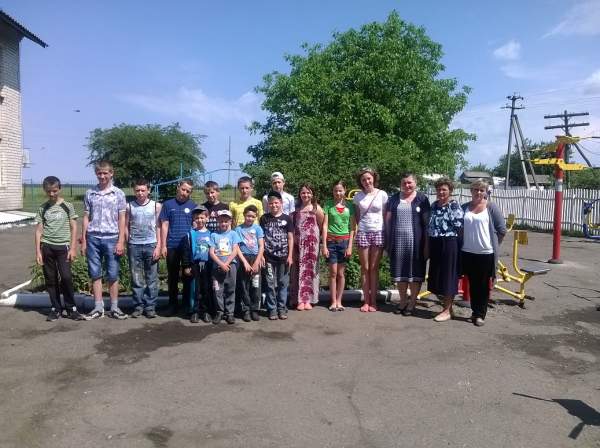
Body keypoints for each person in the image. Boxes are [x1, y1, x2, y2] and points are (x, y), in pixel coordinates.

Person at [81, 160, 128, 320]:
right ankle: (98, 307)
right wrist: (84, 239)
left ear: (111, 173)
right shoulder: (90, 193)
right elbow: (86, 217)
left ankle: (114, 307)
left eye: (105, 173)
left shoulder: (118, 194)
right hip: (93, 237)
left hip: (112, 238)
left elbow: (122, 218)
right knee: (95, 273)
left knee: (113, 274)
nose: (102, 176)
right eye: (99, 173)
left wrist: (121, 241)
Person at [35, 176, 84, 321]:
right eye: (48, 191)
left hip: (63, 247)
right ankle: (55, 309)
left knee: (66, 277)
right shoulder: (43, 208)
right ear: (45, 190)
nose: (51, 194)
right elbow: (38, 231)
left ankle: (71, 309)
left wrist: (72, 248)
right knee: (51, 279)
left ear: (59, 189)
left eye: (54, 191)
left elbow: (74, 227)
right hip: (47, 247)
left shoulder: (67, 206)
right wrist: (38, 252)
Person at [461, 179, 507, 327]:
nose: (479, 192)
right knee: (472, 284)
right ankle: (475, 311)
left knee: (482, 286)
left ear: (486, 192)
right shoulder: (464, 207)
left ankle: (480, 314)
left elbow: (502, 230)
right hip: (467, 252)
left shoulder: (491, 207)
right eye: (476, 189)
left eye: (482, 190)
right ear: (471, 191)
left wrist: (494, 245)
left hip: (485, 253)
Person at [385, 172, 430, 316]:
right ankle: (403, 301)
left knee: (415, 274)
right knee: (400, 274)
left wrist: (426, 245)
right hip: (397, 242)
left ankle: (412, 303)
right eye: (404, 183)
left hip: (416, 244)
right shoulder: (394, 199)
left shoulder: (422, 199)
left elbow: (427, 225)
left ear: (415, 183)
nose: (407, 185)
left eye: (409, 182)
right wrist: (387, 243)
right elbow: (387, 221)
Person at [427, 177, 463, 322]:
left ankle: (446, 310)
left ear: (450, 191)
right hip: (435, 242)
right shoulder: (434, 205)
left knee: (448, 276)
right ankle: (448, 308)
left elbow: (460, 226)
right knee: (438, 276)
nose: (441, 192)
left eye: (444, 189)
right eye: (439, 189)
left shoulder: (454, 205)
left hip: (449, 243)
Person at [159, 179, 196, 316]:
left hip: (187, 247)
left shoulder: (193, 206)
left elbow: (195, 226)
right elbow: (164, 225)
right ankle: (172, 305)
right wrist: (163, 245)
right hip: (172, 245)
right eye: (183, 189)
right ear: (178, 187)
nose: (185, 193)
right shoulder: (168, 205)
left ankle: (186, 305)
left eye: (188, 191)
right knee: (173, 277)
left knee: (188, 276)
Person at [125, 179, 162, 319]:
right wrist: (128, 241)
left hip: (151, 244)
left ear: (148, 191)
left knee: (151, 278)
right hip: (134, 245)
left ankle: (150, 307)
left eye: (143, 190)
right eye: (137, 190)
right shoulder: (129, 206)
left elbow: (159, 226)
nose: (140, 193)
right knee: (136, 278)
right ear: (134, 191)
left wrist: (158, 246)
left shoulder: (156, 206)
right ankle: (138, 306)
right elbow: (125, 225)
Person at [353, 168, 388, 312]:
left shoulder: (382, 194)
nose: (366, 181)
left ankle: (373, 301)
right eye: (363, 179)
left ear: (374, 178)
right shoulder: (358, 196)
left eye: (369, 178)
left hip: (378, 231)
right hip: (363, 232)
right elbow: (357, 216)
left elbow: (385, 215)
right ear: (360, 182)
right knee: (365, 268)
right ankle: (366, 301)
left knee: (374, 268)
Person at [260, 191, 294, 320]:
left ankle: (281, 308)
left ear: (281, 203)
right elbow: (261, 238)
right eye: (271, 203)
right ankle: (272, 309)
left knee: (282, 284)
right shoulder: (264, 218)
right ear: (268, 204)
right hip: (268, 257)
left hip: (284, 257)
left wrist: (290, 256)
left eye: (276, 203)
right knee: (270, 284)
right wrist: (262, 255)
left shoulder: (287, 219)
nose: (274, 205)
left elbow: (290, 238)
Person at [322, 181, 355, 311]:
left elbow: (352, 228)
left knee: (341, 273)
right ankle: (333, 301)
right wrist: (324, 245)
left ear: (345, 190)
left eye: (340, 190)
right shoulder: (328, 205)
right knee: (333, 273)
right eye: (335, 190)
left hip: (344, 242)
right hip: (331, 242)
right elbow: (325, 226)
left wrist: (350, 246)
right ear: (333, 191)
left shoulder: (350, 206)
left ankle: (340, 301)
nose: (338, 193)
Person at [290, 183, 324, 310]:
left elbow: (321, 225)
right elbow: (293, 226)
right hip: (298, 243)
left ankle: (309, 300)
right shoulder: (296, 209)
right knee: (297, 270)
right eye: (303, 192)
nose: (306, 195)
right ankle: (298, 300)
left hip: (312, 245)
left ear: (312, 194)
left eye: (308, 192)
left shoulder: (316, 208)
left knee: (310, 270)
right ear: (299, 194)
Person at [209, 209, 241, 325]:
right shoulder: (214, 235)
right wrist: (221, 264)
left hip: (231, 266)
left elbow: (235, 250)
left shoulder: (233, 234)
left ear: (230, 221)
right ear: (218, 221)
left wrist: (226, 263)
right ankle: (219, 312)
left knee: (230, 289)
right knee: (218, 290)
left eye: (226, 221)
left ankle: (230, 313)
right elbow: (211, 252)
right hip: (217, 267)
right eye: (221, 221)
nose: (223, 223)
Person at [182, 206, 212, 324]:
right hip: (194, 265)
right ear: (193, 219)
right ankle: (194, 311)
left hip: (207, 265)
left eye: (202, 217)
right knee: (195, 289)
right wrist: (186, 266)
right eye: (197, 218)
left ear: (207, 218)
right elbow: (186, 251)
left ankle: (205, 311)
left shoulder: (211, 234)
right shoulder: (190, 234)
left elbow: (214, 251)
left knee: (206, 288)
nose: (199, 220)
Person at [235, 205, 265, 322]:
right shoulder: (238, 229)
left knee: (255, 285)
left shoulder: (258, 229)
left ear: (255, 217)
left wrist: (257, 261)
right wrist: (244, 262)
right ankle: (246, 310)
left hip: (255, 258)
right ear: (244, 215)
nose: (250, 218)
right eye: (248, 216)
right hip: (244, 258)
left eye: (253, 216)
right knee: (244, 285)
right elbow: (237, 247)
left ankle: (255, 309)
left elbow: (261, 246)